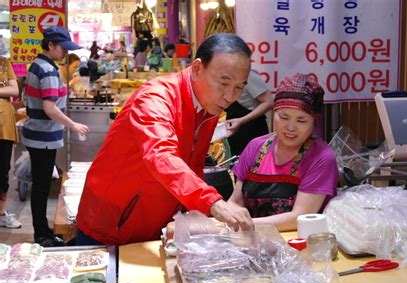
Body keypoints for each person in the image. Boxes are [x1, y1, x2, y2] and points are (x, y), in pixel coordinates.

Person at [76, 33, 254, 245]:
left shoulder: (208, 107)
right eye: (223, 83)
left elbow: (194, 164)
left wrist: (192, 215)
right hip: (114, 219)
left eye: (239, 87)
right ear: (197, 69)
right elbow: (161, 155)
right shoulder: (155, 98)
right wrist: (212, 201)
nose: (229, 96)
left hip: (153, 219)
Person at [227, 73, 338, 231]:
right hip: (251, 241)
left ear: (314, 122)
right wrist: (229, 215)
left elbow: (299, 217)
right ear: (274, 114)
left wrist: (245, 224)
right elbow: (235, 201)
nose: (291, 127)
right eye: (284, 117)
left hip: (297, 246)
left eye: (301, 120)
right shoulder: (255, 147)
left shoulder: (321, 158)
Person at [22, 26, 89, 247]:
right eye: (62, 48)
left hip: (38, 134)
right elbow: (50, 108)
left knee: (41, 185)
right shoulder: (48, 70)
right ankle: (42, 235)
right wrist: (73, 125)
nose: (64, 53)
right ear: (50, 45)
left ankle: (44, 231)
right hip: (43, 137)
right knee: (41, 186)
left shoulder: (38, 65)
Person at [225, 69, 274, 156]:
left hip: (252, 130)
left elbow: (269, 102)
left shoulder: (248, 74)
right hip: (233, 132)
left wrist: (241, 120)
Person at [0, 56, 22, 229]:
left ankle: (1, 213)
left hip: (3, 125)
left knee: (2, 170)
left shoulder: (3, 62)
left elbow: (14, 90)